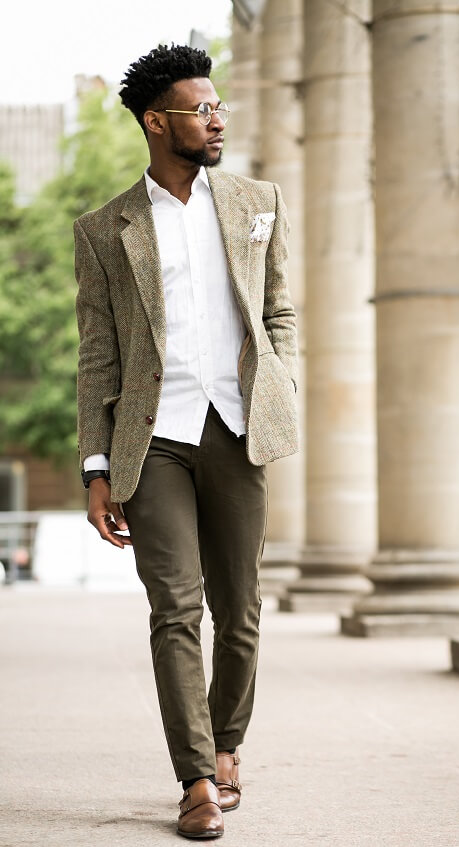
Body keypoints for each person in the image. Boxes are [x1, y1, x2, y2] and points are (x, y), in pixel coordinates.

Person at [74, 44, 299, 840]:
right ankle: (197, 779)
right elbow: (98, 353)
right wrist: (96, 470)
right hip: (154, 438)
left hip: (237, 430)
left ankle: (227, 744)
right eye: (202, 109)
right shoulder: (105, 229)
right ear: (156, 121)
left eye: (219, 106)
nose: (218, 118)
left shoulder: (254, 201)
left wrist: (282, 382)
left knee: (240, 608)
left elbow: (279, 313)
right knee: (175, 608)